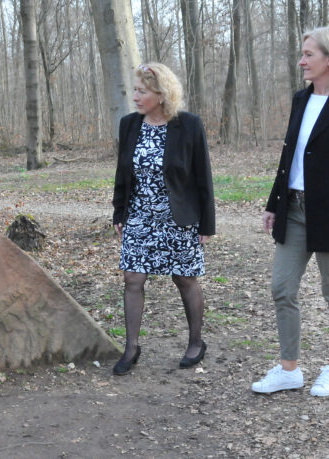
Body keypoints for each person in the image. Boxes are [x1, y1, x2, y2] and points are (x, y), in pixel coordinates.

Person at [252, 26, 329, 397]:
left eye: (309, 54)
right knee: (281, 287)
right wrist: (275, 204)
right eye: (302, 54)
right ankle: (289, 369)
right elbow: (288, 156)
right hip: (294, 207)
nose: (301, 61)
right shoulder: (300, 99)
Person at [111, 62, 215, 375]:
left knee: (184, 278)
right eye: (135, 90)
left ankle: (196, 341)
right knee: (133, 278)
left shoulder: (189, 125)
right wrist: (119, 211)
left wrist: (206, 225)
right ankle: (131, 347)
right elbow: (122, 172)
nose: (136, 96)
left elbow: (203, 178)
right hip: (140, 215)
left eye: (142, 91)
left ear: (161, 94)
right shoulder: (130, 125)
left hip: (178, 217)